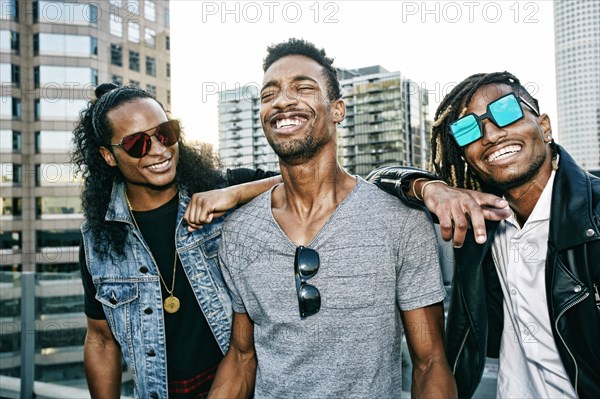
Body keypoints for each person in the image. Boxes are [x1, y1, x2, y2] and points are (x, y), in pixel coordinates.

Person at [207, 38, 457, 399]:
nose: (281, 100)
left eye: (303, 88)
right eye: (268, 94)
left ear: (338, 109)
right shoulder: (238, 231)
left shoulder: (400, 222)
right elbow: (243, 357)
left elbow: (430, 362)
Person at [367, 72, 600, 398]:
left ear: (544, 127)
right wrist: (430, 187)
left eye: (505, 111)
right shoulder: (479, 221)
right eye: (468, 129)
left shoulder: (594, 218)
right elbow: (372, 184)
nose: (489, 134)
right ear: (465, 155)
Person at [73, 83, 279, 398]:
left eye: (165, 133)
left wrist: (235, 193)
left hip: (244, 385)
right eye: (136, 144)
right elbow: (100, 339)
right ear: (108, 156)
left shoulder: (220, 190)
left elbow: (304, 182)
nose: (159, 149)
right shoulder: (98, 239)